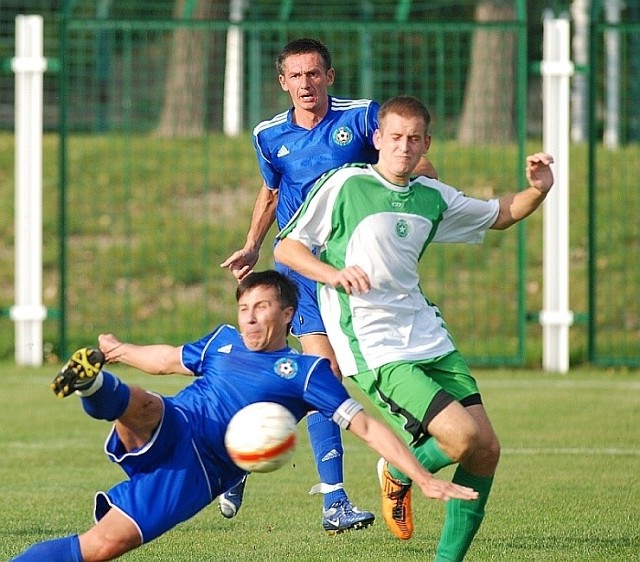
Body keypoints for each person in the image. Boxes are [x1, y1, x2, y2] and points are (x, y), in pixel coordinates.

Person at [10, 271, 478, 562]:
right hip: (180, 421)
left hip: (199, 473)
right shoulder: (221, 342)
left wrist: (422, 476)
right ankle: (93, 383)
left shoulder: (307, 372)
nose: (250, 318)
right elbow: (168, 359)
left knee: (99, 547)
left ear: (289, 315)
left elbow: (368, 425)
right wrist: (119, 351)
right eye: (243, 308)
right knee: (147, 405)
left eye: (261, 308)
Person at [274, 96, 555, 560]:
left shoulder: (431, 197)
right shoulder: (345, 185)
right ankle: (400, 470)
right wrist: (334, 274)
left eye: (414, 139)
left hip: (427, 334)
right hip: (373, 341)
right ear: (378, 140)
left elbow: (499, 214)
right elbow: (288, 249)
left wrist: (538, 190)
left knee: (485, 450)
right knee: (461, 438)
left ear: (426, 143)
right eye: (395, 137)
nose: (404, 147)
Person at [220, 37, 437, 534]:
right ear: (282, 83)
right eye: (296, 76)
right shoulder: (269, 135)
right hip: (304, 268)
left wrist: (407, 180)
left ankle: (239, 456)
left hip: (359, 268)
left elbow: (415, 157)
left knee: (325, 378)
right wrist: (253, 245)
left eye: (314, 74)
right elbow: (272, 190)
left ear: (330, 77)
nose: (306, 84)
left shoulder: (362, 119)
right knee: (325, 371)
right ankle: (334, 501)